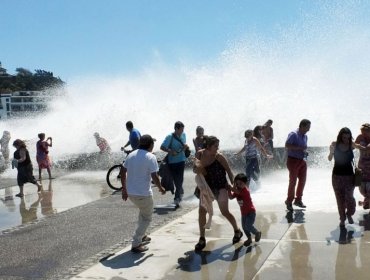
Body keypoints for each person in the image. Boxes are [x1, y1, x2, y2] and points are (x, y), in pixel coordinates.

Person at [193, 135, 242, 251]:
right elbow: (195, 169)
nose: (217, 148)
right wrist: (197, 167)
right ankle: (202, 238)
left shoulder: (219, 157)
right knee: (201, 212)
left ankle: (237, 230)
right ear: (208, 146)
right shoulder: (199, 154)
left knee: (224, 212)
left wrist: (234, 186)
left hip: (221, 187)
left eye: (218, 146)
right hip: (206, 188)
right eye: (215, 146)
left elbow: (229, 172)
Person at [120, 134, 166, 253]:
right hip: (143, 194)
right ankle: (136, 243)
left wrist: (124, 189)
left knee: (143, 212)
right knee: (147, 218)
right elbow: (154, 176)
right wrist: (161, 188)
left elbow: (122, 171)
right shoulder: (151, 157)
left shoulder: (131, 154)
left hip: (131, 193)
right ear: (150, 145)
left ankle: (143, 235)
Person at [328, 128, 357, 227]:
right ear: (340, 136)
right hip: (336, 176)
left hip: (349, 177)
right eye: (344, 137)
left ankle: (349, 213)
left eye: (348, 138)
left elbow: (362, 148)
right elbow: (329, 159)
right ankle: (342, 219)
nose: (346, 140)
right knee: (339, 199)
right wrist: (331, 152)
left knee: (349, 198)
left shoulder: (351, 145)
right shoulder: (334, 144)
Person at [228, 173, 262, 246]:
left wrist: (231, 188)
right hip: (243, 213)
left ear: (245, 183)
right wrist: (228, 190)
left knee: (248, 225)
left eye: (240, 183)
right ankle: (249, 238)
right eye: (236, 183)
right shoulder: (237, 191)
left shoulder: (245, 191)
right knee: (244, 227)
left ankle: (257, 233)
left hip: (251, 212)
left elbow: (237, 192)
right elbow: (230, 197)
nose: (238, 185)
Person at [284, 119, 311, 211]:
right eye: (308, 127)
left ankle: (298, 200)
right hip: (293, 161)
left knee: (303, 181)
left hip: (302, 160)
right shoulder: (293, 134)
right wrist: (299, 148)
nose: (309, 129)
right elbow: (287, 145)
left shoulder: (305, 136)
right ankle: (289, 201)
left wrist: (304, 152)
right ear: (302, 126)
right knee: (293, 182)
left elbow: (303, 148)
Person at [160, 121, 189, 206]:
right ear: (176, 129)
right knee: (176, 179)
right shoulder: (169, 137)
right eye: (181, 130)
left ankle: (177, 197)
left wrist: (185, 147)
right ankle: (180, 190)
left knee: (180, 179)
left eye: (183, 130)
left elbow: (182, 147)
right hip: (172, 162)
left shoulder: (184, 135)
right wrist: (170, 151)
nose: (182, 132)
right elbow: (162, 147)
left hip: (181, 160)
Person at [355, 123, 370, 209]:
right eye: (362, 132)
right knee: (361, 189)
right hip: (361, 166)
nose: (363, 134)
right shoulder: (360, 137)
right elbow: (353, 146)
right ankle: (366, 202)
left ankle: (366, 202)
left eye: (365, 132)